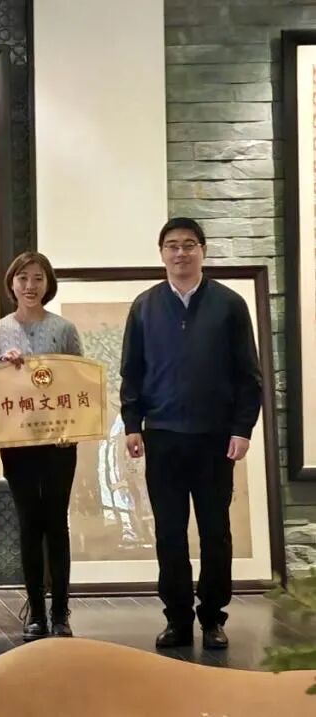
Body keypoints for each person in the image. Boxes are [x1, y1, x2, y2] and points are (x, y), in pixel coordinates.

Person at [120, 217, 262, 651]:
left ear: (203, 250)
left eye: (188, 245)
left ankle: (213, 617)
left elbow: (249, 375)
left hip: (215, 438)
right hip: (163, 436)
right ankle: (177, 619)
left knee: (216, 531)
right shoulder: (145, 306)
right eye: (172, 246)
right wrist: (132, 424)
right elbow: (132, 372)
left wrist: (242, 429)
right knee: (169, 532)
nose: (180, 253)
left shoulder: (229, 304)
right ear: (161, 253)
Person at [0, 251, 83, 640]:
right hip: (18, 441)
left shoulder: (64, 329)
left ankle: (61, 612)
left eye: (38, 278)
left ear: (48, 284)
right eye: (23, 278)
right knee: (28, 523)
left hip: (59, 440)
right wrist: (1, 365)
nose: (30, 285)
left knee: (57, 522)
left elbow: (79, 380)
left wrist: (73, 427)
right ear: (12, 284)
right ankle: (35, 610)